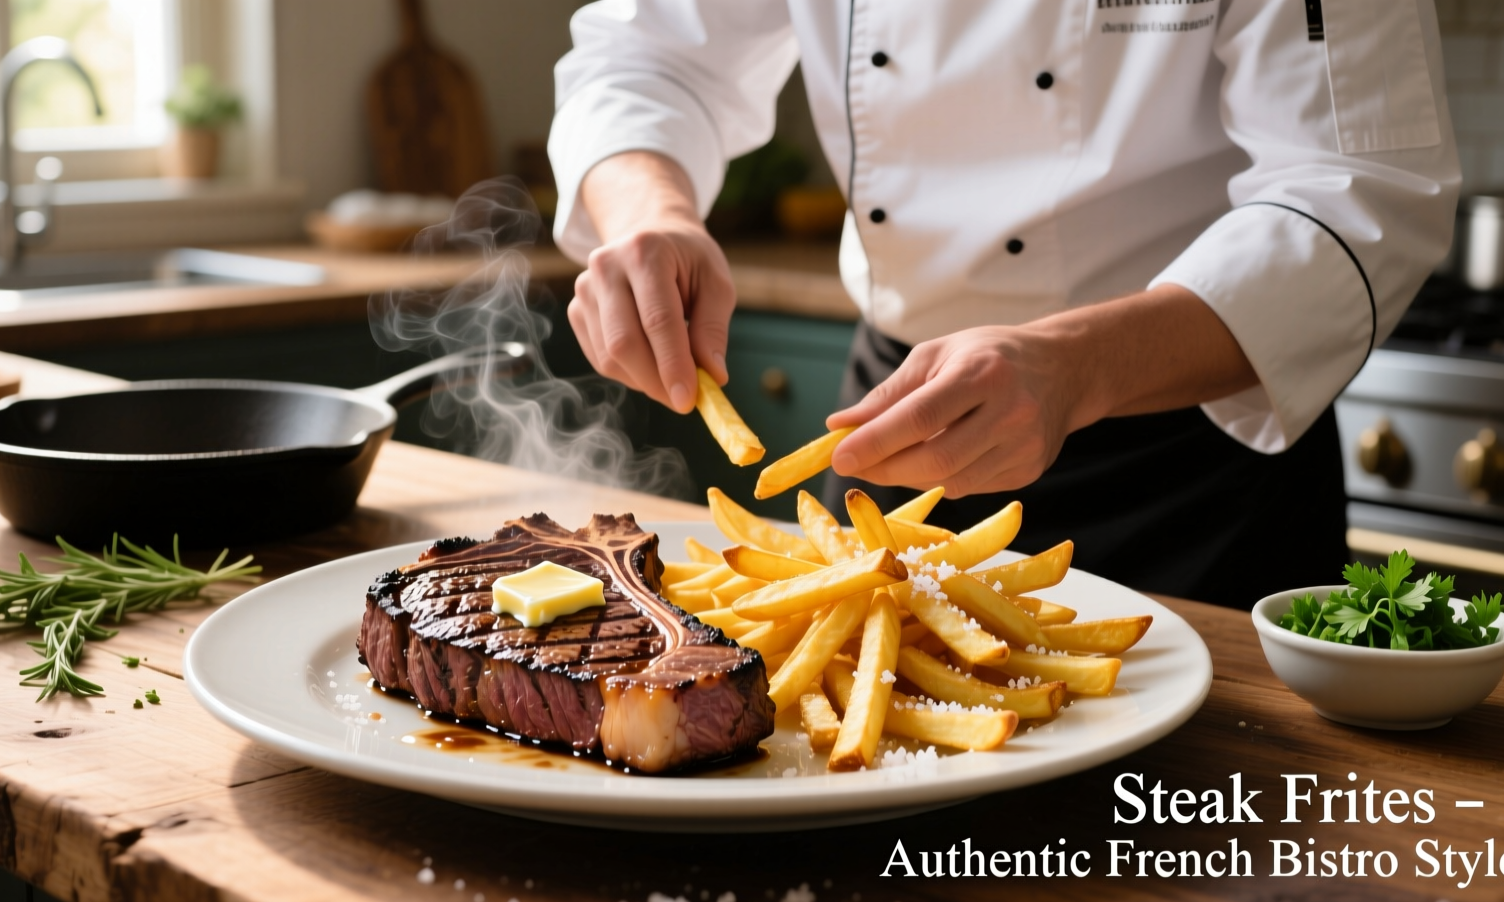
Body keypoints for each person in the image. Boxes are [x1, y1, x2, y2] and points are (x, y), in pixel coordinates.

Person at [546, 1, 1458, 608]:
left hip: (1195, 454)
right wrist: (649, 213)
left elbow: (1361, 184)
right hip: (892, 438)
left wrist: (1078, 365)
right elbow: (649, 53)